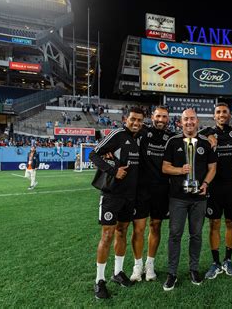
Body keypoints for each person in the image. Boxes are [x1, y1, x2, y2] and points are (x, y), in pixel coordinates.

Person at [89, 107, 144, 299]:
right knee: (107, 235)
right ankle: (99, 280)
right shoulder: (117, 135)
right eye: (133, 119)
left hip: (130, 196)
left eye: (139, 121)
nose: (136, 123)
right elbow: (93, 154)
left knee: (122, 232)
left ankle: (118, 273)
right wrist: (113, 171)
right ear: (125, 119)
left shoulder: (140, 137)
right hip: (112, 195)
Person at [162, 108, 217, 291]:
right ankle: (172, 273)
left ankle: (194, 269)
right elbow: (165, 167)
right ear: (180, 122)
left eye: (192, 119)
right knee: (175, 235)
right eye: (186, 119)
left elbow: (213, 167)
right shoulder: (173, 142)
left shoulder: (206, 143)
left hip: (199, 198)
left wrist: (206, 183)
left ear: (197, 121)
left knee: (196, 235)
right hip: (178, 198)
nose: (189, 122)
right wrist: (180, 170)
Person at [199, 103, 232, 279]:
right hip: (213, 186)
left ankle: (227, 260)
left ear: (229, 115)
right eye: (218, 112)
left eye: (224, 112)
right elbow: (191, 136)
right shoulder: (205, 134)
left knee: (231, 223)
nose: (221, 115)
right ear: (214, 115)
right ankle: (215, 262)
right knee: (214, 224)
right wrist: (208, 135)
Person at [130, 106, 174, 282]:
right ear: (152, 117)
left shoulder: (171, 138)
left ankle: (150, 265)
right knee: (138, 228)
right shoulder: (141, 132)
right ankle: (137, 265)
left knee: (155, 226)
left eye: (164, 116)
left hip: (162, 190)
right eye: (158, 116)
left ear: (168, 119)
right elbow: (122, 140)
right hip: (141, 190)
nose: (161, 119)